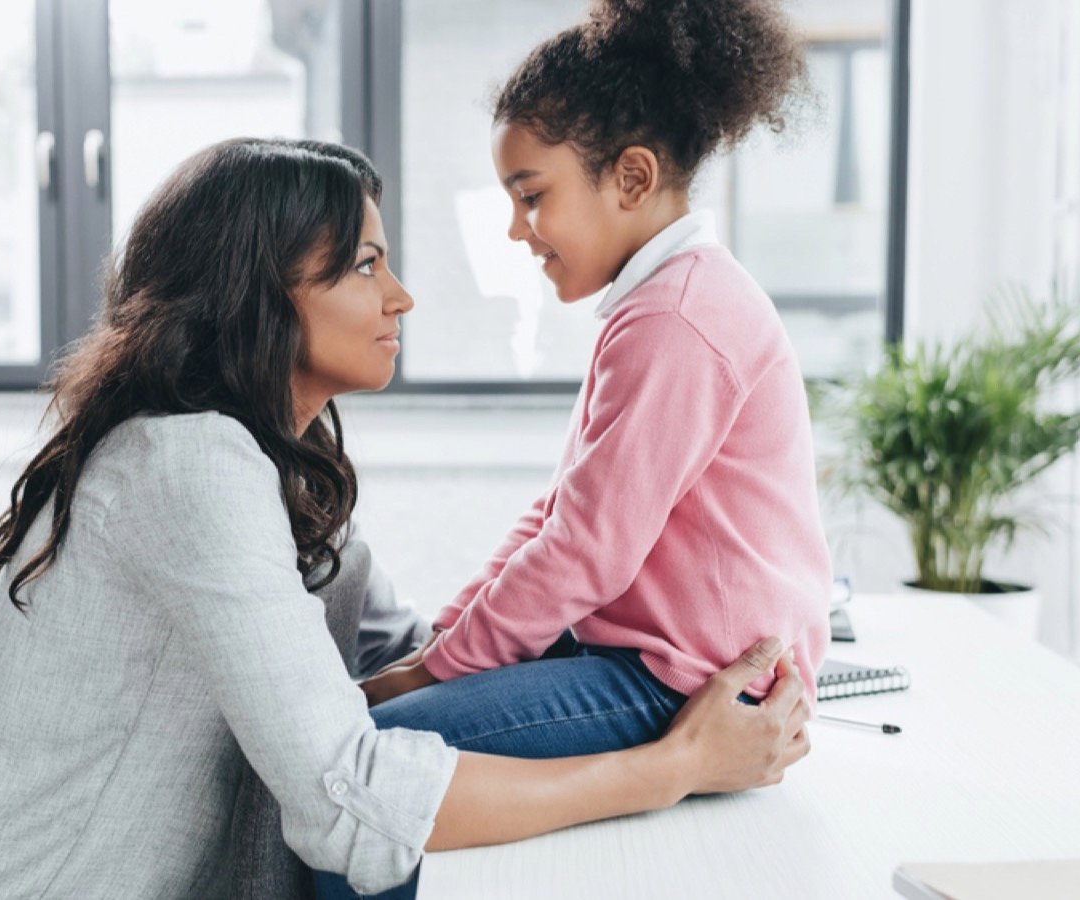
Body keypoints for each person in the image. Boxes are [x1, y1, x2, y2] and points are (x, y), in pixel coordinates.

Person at [0, 137, 810, 899]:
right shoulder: (184, 467)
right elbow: (348, 800)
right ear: (258, 297)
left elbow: (406, 657)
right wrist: (676, 762)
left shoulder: (274, 479)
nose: (401, 296)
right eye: (363, 267)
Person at [336, 1, 831, 893]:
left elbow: (583, 551)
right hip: (648, 659)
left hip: (680, 683)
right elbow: (563, 509)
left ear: (632, 178)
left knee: (369, 766)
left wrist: (430, 673)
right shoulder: (665, 302)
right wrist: (450, 632)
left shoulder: (679, 319)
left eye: (533, 196)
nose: (520, 230)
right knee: (384, 711)